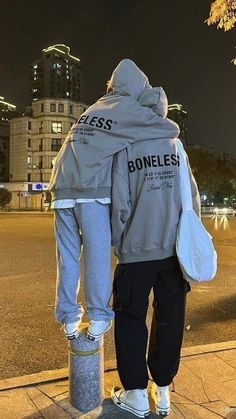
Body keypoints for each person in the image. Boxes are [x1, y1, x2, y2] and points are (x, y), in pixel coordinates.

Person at [48, 59, 178, 341]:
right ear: (136, 88)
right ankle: (98, 317)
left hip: (60, 186)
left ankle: (69, 318)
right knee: (97, 255)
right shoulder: (129, 108)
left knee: (67, 256)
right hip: (91, 188)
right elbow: (168, 129)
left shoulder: (94, 108)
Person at [110, 86, 200, 416]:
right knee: (170, 320)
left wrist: (118, 242)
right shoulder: (177, 147)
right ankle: (162, 390)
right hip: (172, 252)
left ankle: (134, 394)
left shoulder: (127, 147)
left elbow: (120, 204)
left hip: (135, 251)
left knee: (131, 320)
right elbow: (192, 199)